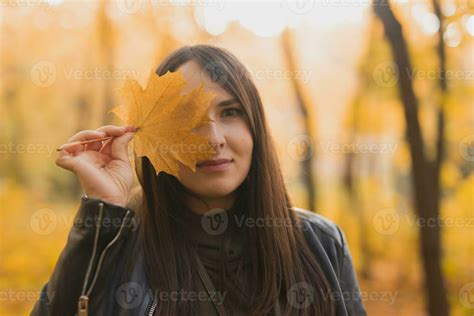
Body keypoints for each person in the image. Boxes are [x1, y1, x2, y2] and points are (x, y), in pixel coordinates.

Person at [31, 45, 366, 316]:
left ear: (255, 127)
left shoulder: (321, 244)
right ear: (155, 139)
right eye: (187, 118)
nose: (214, 138)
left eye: (230, 112)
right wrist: (103, 214)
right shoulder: (115, 247)